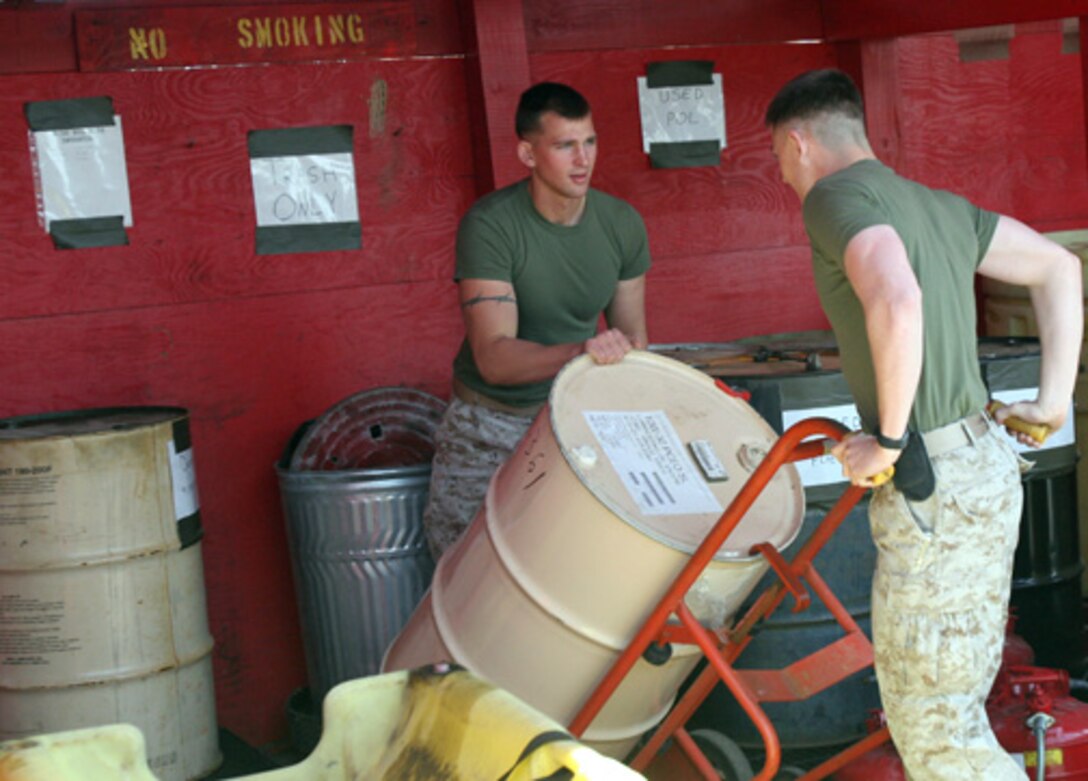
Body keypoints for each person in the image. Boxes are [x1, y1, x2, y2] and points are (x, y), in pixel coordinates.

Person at [765, 68, 1082, 780]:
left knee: (938, 736)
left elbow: (897, 299)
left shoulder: (834, 196)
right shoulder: (936, 205)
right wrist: (1052, 401)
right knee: (952, 716)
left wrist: (888, 438)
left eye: (780, 160)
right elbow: (1059, 268)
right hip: (983, 468)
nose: (784, 175)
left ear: (798, 142)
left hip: (936, 483)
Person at [423, 81, 651, 561]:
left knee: (578, 569)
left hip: (576, 421)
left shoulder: (621, 223)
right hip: (489, 424)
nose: (582, 159)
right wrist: (580, 352)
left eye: (589, 142)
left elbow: (635, 343)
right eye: (564, 145)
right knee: (465, 574)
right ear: (527, 154)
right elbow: (494, 359)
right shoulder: (490, 225)